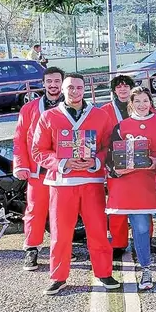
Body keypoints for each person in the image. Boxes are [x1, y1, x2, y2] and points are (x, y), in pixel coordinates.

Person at [32, 74, 120, 295]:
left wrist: (96, 160)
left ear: (85, 89)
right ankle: (58, 276)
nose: (75, 91)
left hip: (92, 182)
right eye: (70, 87)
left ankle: (104, 272)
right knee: (61, 233)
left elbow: (111, 146)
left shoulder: (100, 116)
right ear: (62, 89)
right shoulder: (48, 116)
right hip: (62, 184)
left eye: (79, 87)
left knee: (98, 230)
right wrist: (62, 162)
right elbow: (38, 151)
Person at [105, 87, 156, 290]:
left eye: (145, 101)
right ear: (130, 103)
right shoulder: (121, 127)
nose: (141, 105)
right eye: (137, 101)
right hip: (132, 187)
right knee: (141, 229)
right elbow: (111, 156)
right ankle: (146, 270)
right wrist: (117, 170)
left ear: (151, 102)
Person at [14, 66, 65, 271]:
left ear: (63, 83)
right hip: (38, 171)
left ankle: (61, 247)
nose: (53, 85)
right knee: (35, 210)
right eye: (49, 81)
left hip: (64, 170)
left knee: (61, 212)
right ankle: (31, 248)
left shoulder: (74, 106)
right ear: (43, 84)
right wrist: (20, 165)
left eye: (57, 81)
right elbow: (19, 139)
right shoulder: (29, 109)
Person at [102, 74, 137, 254]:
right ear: (114, 90)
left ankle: (144, 240)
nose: (123, 89)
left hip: (140, 163)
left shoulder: (142, 105)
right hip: (115, 162)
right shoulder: (105, 110)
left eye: (126, 86)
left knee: (143, 204)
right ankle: (117, 242)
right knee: (117, 206)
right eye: (119, 87)